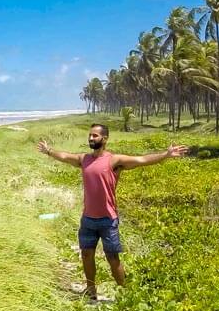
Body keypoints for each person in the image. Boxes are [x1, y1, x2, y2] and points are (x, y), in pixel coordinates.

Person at [37, 123, 189, 300]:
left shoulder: (114, 161)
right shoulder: (83, 159)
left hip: (108, 220)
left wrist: (166, 154)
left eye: (95, 135)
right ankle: (91, 290)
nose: (91, 138)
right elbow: (64, 156)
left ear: (105, 139)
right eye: (90, 135)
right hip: (88, 219)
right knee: (86, 255)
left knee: (112, 258)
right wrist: (49, 151)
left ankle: (125, 295)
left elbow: (142, 160)